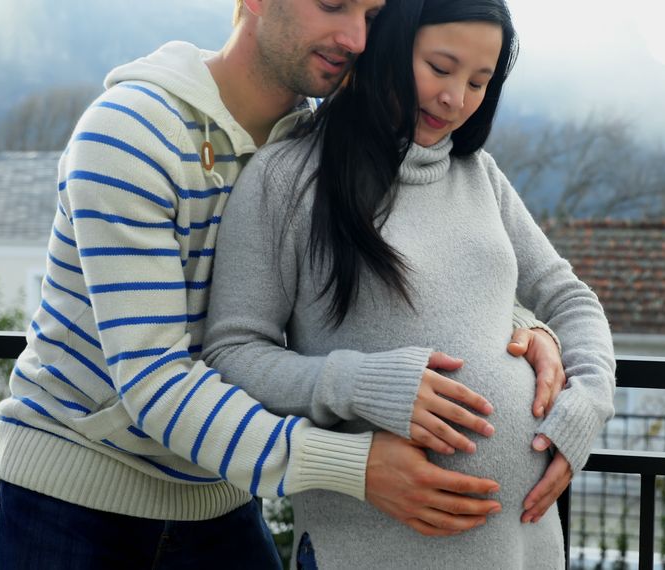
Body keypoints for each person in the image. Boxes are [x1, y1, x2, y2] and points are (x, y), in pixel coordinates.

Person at [0, 0, 568, 567]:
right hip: (76, 501)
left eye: (369, 16)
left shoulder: (327, 143)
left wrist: (520, 325)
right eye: (332, 5)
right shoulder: (130, 133)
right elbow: (154, 380)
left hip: (220, 489)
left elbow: (418, 258)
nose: (357, 38)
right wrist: (355, 466)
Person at [202, 0, 616, 567]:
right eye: (440, 69)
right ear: (392, 47)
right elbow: (232, 354)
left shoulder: (479, 175)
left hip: (526, 547)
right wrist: (360, 383)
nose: (456, 99)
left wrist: (588, 404)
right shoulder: (287, 179)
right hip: (368, 547)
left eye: (478, 81)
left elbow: (570, 297)